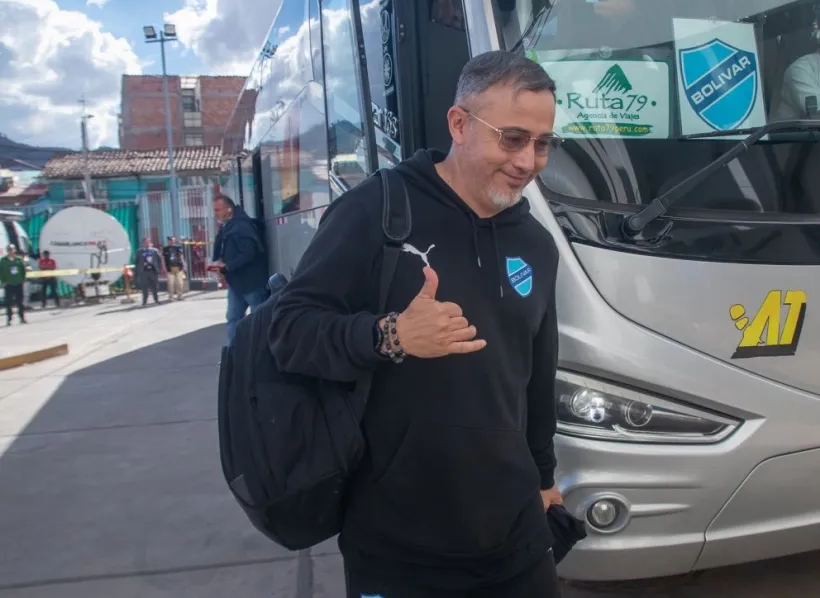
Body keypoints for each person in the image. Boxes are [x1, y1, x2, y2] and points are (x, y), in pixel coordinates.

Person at [268, 51, 565, 597]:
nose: (529, 160)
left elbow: (536, 379)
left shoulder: (537, 245)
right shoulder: (376, 212)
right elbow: (288, 330)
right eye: (513, 138)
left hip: (515, 537)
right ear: (460, 124)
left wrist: (544, 479)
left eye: (542, 143)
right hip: (398, 545)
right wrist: (391, 336)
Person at [211, 195, 269, 344]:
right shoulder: (229, 226)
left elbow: (250, 252)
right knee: (234, 319)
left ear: (228, 209)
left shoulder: (241, 226)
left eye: (218, 209)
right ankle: (234, 356)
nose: (215, 213)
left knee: (258, 322)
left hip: (252, 283)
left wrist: (228, 266)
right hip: (237, 282)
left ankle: (260, 354)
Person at [0, 244, 28, 325]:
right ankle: (9, 319)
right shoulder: (3, 260)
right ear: (7, 251)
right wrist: (3, 281)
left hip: (18, 283)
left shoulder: (18, 259)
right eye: (9, 249)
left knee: (20, 302)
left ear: (15, 250)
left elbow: (23, 270)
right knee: (8, 302)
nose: (11, 251)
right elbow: (1, 272)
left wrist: (23, 279)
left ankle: (22, 318)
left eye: (12, 249)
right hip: (8, 284)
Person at [135, 238, 162, 306]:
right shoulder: (139, 251)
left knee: (155, 287)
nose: (147, 243)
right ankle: (144, 302)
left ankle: (156, 300)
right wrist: (137, 272)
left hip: (153, 271)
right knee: (144, 288)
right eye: (145, 242)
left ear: (150, 243)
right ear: (143, 243)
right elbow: (136, 262)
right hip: (144, 272)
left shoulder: (154, 251)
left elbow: (159, 260)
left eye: (148, 242)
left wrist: (159, 269)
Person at [162, 236, 187, 301]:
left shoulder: (178, 247)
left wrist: (184, 265)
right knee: (170, 283)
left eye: (173, 240)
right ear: (168, 241)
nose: (172, 241)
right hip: (170, 268)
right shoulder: (165, 249)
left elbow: (181, 257)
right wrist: (164, 267)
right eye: (170, 240)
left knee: (180, 283)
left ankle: (180, 296)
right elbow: (163, 259)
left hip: (178, 267)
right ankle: (171, 297)